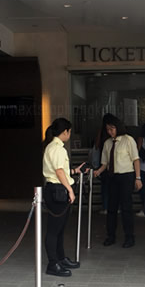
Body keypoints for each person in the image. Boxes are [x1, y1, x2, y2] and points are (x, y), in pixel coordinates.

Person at [42, 118, 87, 277]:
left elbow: (61, 171)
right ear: (65, 131)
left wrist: (74, 172)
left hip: (56, 188)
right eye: (69, 131)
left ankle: (60, 258)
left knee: (59, 229)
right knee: (54, 229)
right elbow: (59, 172)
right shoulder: (57, 148)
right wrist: (70, 190)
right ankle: (53, 263)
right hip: (57, 190)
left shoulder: (54, 147)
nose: (70, 134)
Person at [94, 115, 142, 248]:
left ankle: (129, 237)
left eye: (112, 129)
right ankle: (110, 236)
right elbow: (105, 163)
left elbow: (135, 159)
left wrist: (138, 178)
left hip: (126, 176)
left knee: (126, 207)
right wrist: (98, 171)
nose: (110, 132)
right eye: (108, 129)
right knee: (111, 208)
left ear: (118, 127)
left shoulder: (128, 140)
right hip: (112, 177)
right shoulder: (107, 143)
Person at [93, 113, 116, 214]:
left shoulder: (102, 131)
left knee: (105, 186)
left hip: (103, 161)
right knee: (115, 187)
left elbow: (97, 145)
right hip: (115, 163)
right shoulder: (117, 133)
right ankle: (116, 207)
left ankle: (106, 207)